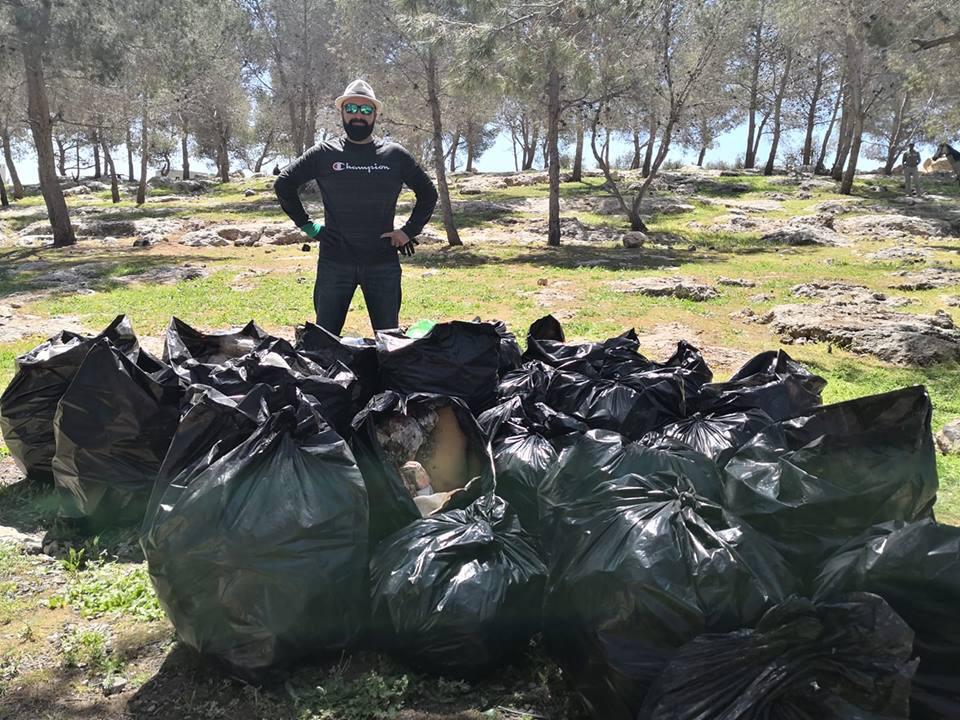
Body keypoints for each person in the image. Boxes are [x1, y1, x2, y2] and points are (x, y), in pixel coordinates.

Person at [274, 79, 438, 335]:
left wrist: (407, 232)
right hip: (334, 262)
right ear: (342, 112)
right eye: (351, 109)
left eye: (365, 110)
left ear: (375, 115)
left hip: (382, 262)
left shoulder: (394, 155)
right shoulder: (324, 153)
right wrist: (309, 226)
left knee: (388, 341)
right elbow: (284, 183)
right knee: (324, 339)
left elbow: (428, 193)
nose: (358, 116)